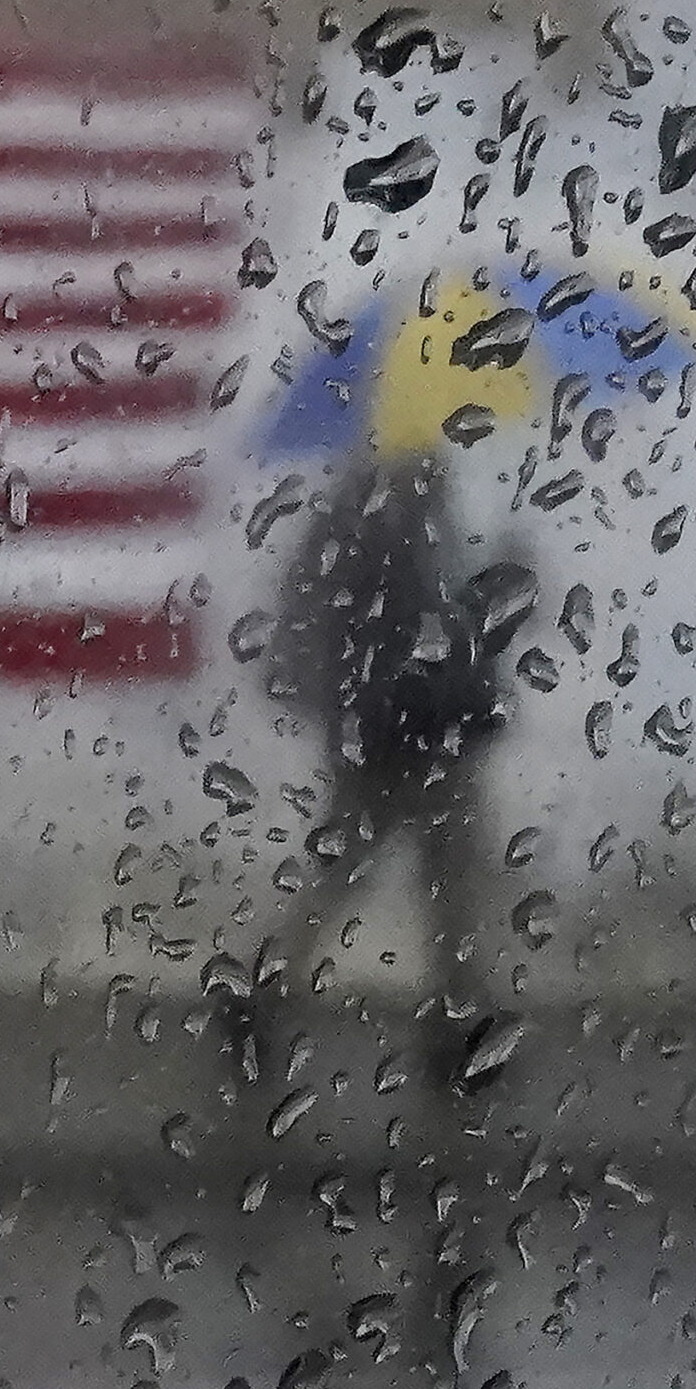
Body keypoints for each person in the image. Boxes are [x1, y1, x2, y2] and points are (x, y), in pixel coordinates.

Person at [248, 447, 531, 1056]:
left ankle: (457, 1015)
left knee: (441, 878)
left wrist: (502, 582)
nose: (442, 462)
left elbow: (449, 626)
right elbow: (408, 628)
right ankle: (269, 997)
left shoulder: (420, 519)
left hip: (423, 734)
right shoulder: (377, 525)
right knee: (390, 873)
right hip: (394, 737)